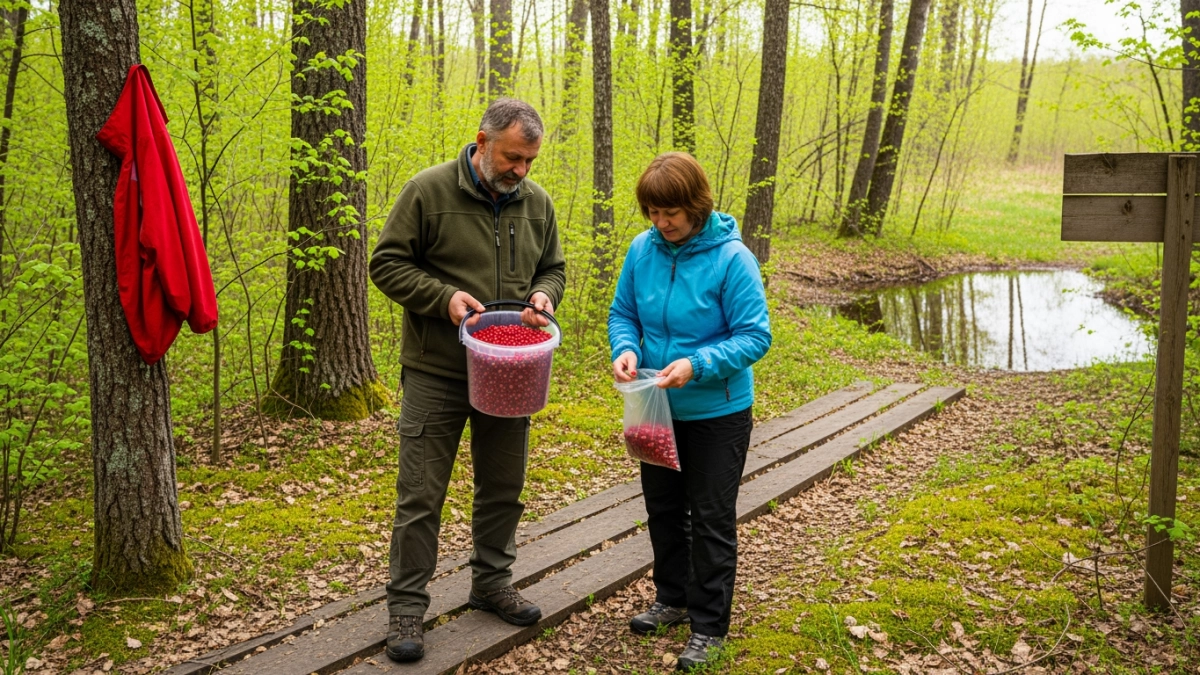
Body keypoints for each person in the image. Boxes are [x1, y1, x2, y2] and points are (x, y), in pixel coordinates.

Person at [368, 98, 565, 663]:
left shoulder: (538, 203)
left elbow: (554, 267)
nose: (521, 171)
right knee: (421, 495)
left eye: (530, 160)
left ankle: (491, 582)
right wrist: (443, 299)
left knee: (503, 486)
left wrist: (544, 295)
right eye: (512, 157)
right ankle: (407, 609)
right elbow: (386, 263)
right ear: (481, 141)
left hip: (511, 371)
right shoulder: (428, 192)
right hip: (438, 369)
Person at [608, 152, 772, 671]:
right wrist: (626, 349)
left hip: (717, 412)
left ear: (695, 204)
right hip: (653, 405)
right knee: (662, 509)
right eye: (653, 212)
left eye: (670, 212)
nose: (661, 223)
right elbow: (623, 313)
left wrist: (697, 364)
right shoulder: (641, 250)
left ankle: (708, 626)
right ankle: (672, 599)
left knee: (711, 518)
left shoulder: (732, 259)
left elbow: (755, 336)